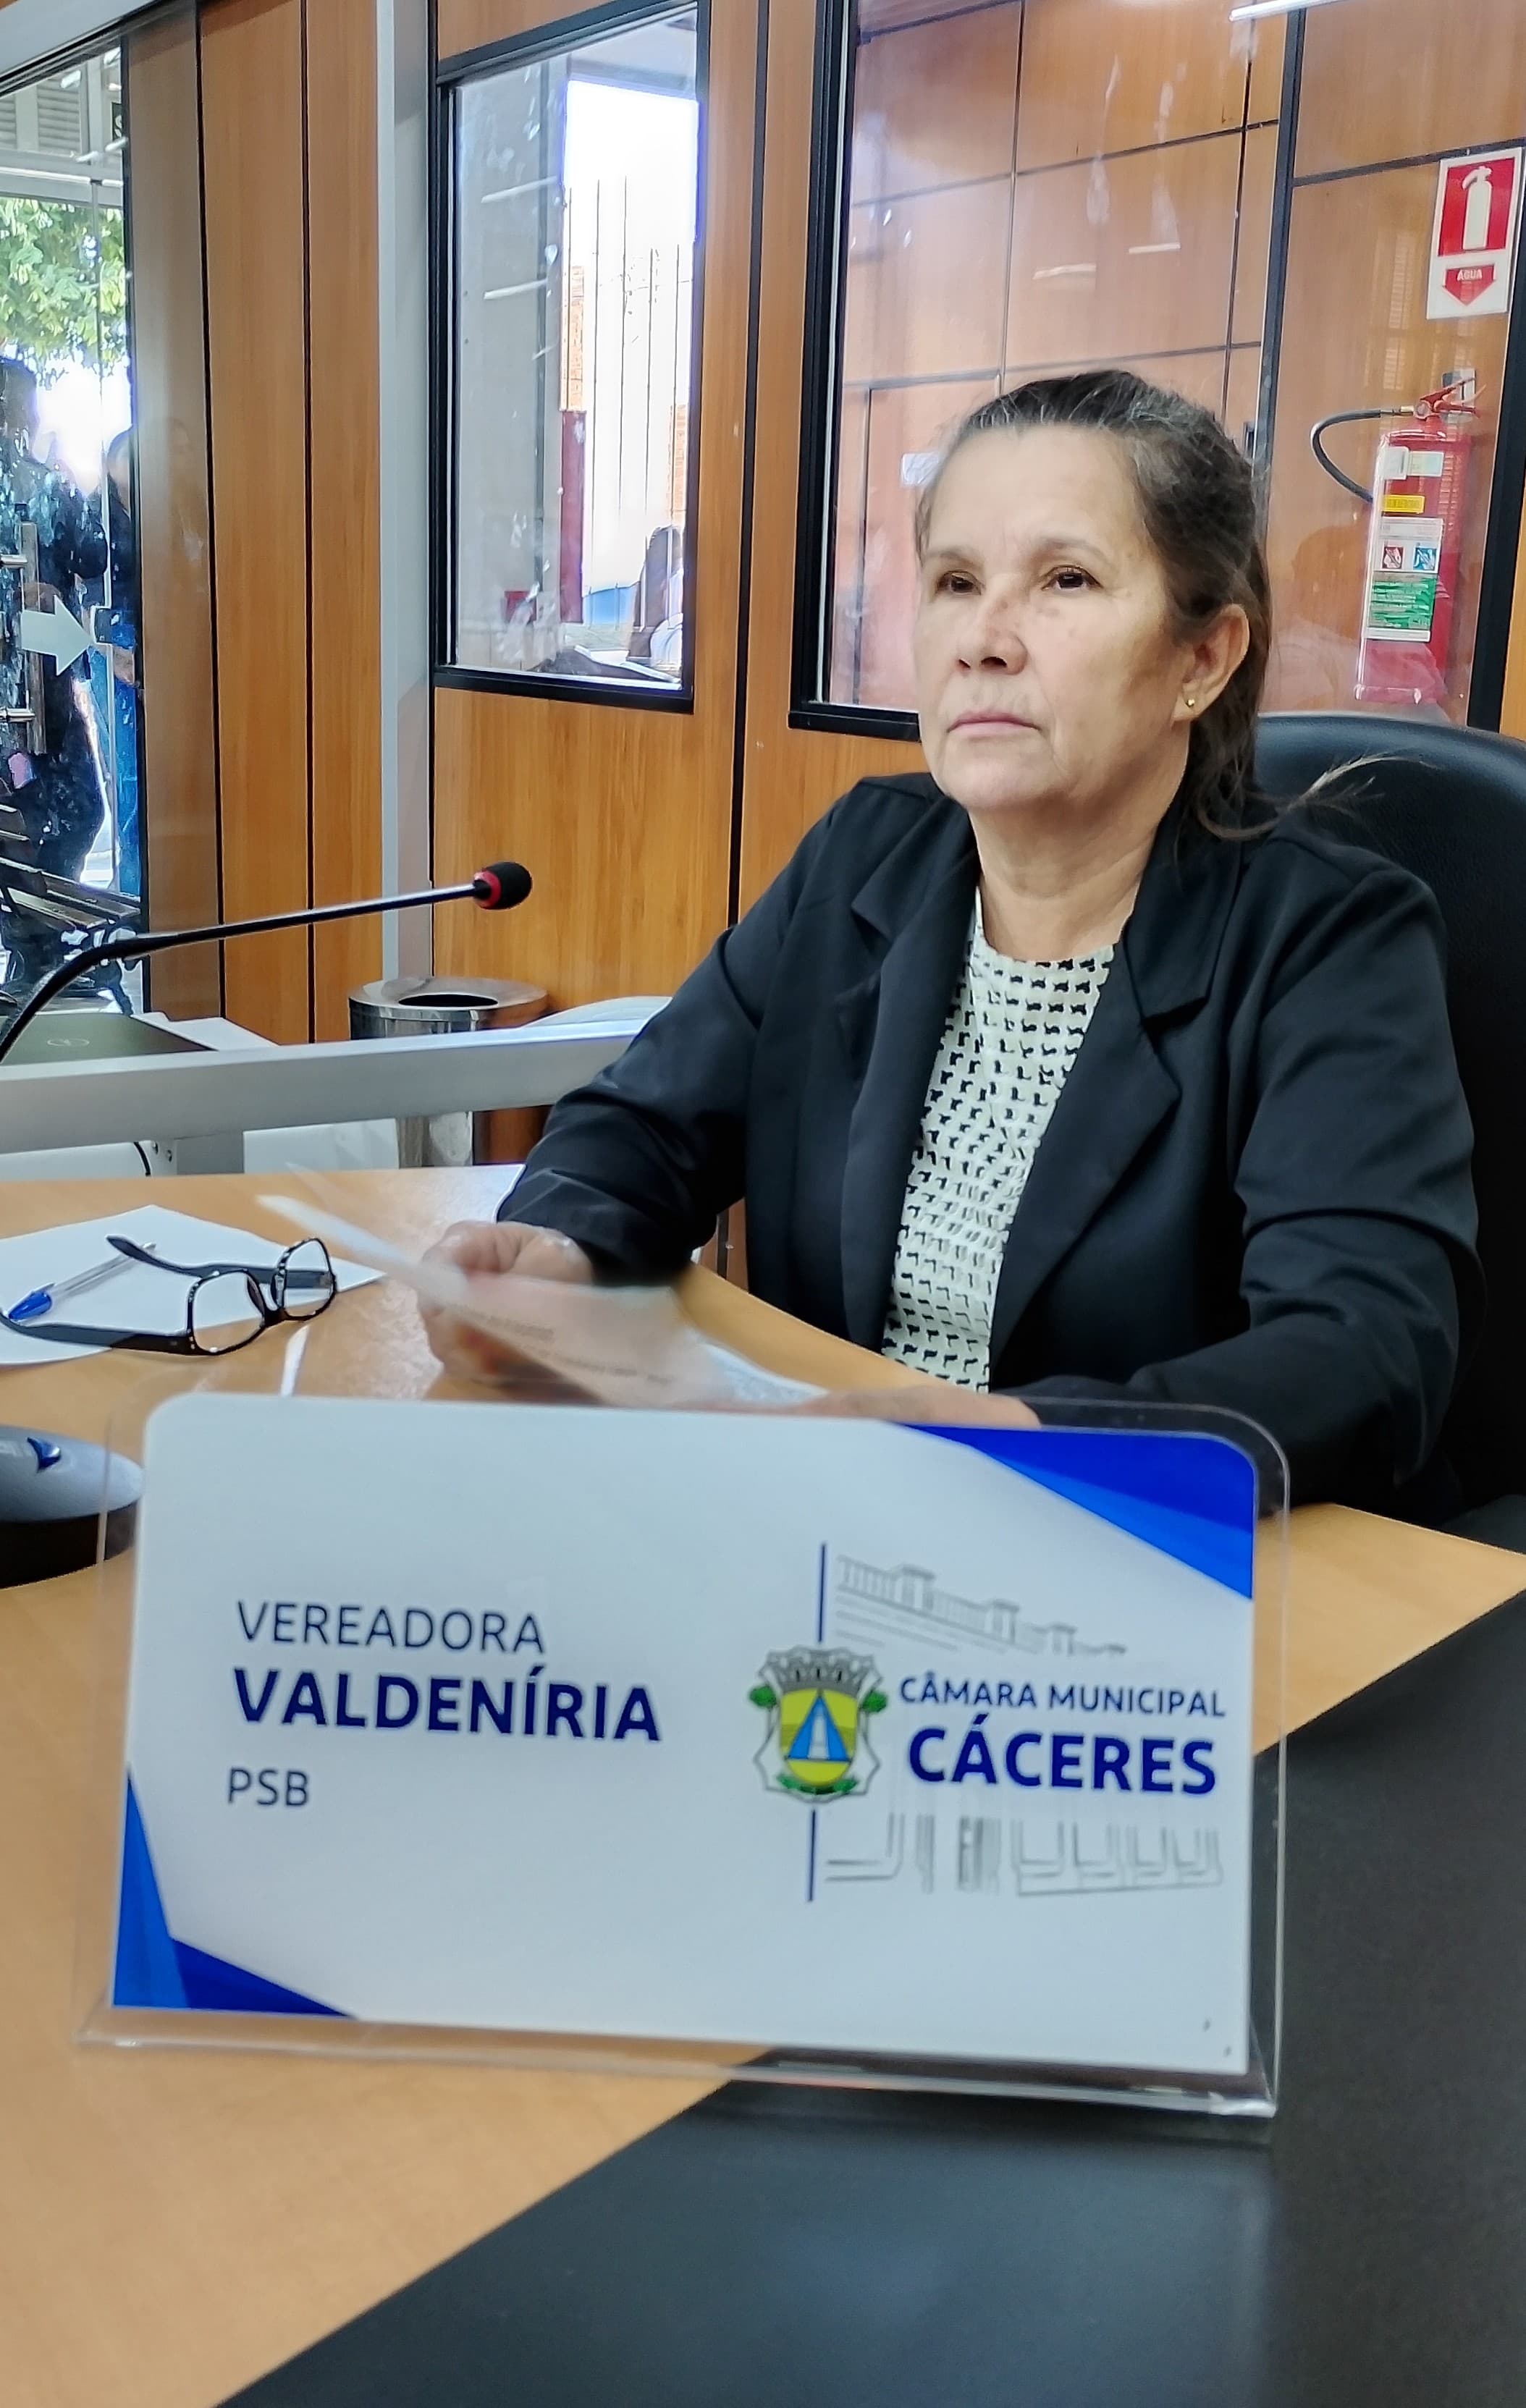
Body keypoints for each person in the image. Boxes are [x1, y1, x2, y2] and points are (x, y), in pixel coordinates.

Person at [421, 369, 1480, 1516]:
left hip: (1145, 1557)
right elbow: (643, 1123)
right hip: (843, 1526)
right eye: (956, 581)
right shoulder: (866, 855)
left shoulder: (1328, 934)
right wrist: (558, 1245)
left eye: (1065, 580)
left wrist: (1021, 1436)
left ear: (1202, 659)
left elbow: (1365, 1345)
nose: (983, 639)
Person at [0, 356, 110, 989]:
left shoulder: (43, 481)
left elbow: (93, 557)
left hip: (42, 677)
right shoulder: (41, 482)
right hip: (30, 680)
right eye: (28, 402)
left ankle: (36, 946)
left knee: (52, 812)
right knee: (58, 810)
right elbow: (92, 554)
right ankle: (36, 947)